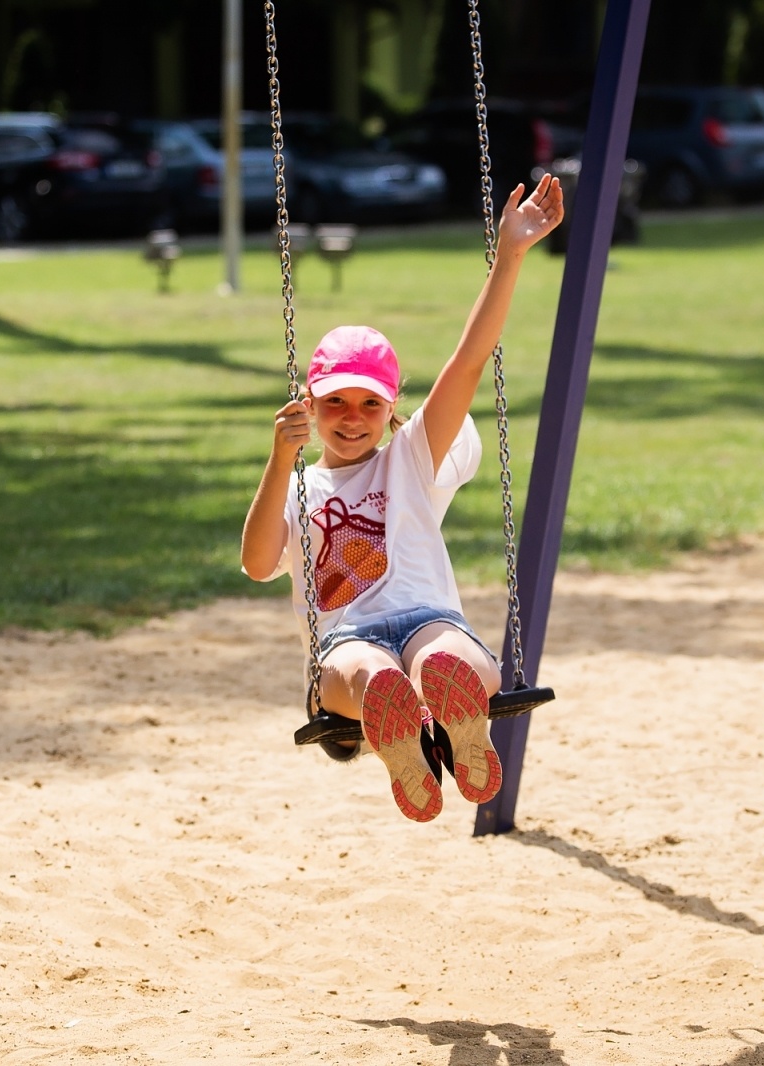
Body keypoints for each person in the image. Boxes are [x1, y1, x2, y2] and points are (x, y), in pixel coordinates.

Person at [241, 174, 564, 823]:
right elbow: (256, 562)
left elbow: (469, 363)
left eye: (369, 403)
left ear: (393, 411)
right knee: (365, 671)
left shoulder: (412, 458)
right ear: (309, 406)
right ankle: (401, 727)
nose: (351, 416)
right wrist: (281, 460)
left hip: (427, 618)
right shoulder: (300, 484)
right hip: (345, 641)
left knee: (448, 657)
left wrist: (511, 256)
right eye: (334, 402)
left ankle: (446, 713)